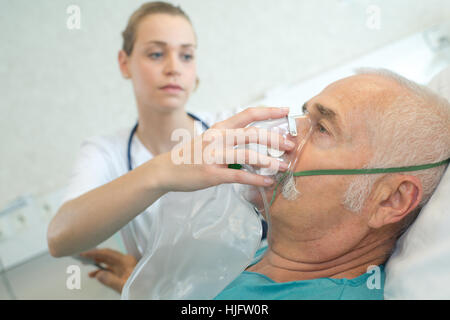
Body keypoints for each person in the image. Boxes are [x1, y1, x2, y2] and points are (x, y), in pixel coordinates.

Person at [46, 1, 254, 293]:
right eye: (156, 54)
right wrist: (162, 171)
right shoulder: (105, 152)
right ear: (124, 62)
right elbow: (59, 239)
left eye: (186, 55)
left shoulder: (230, 127)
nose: (173, 68)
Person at [214, 68, 450, 299]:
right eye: (303, 117)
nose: (281, 137)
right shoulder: (262, 256)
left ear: (389, 200)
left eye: (322, 129)